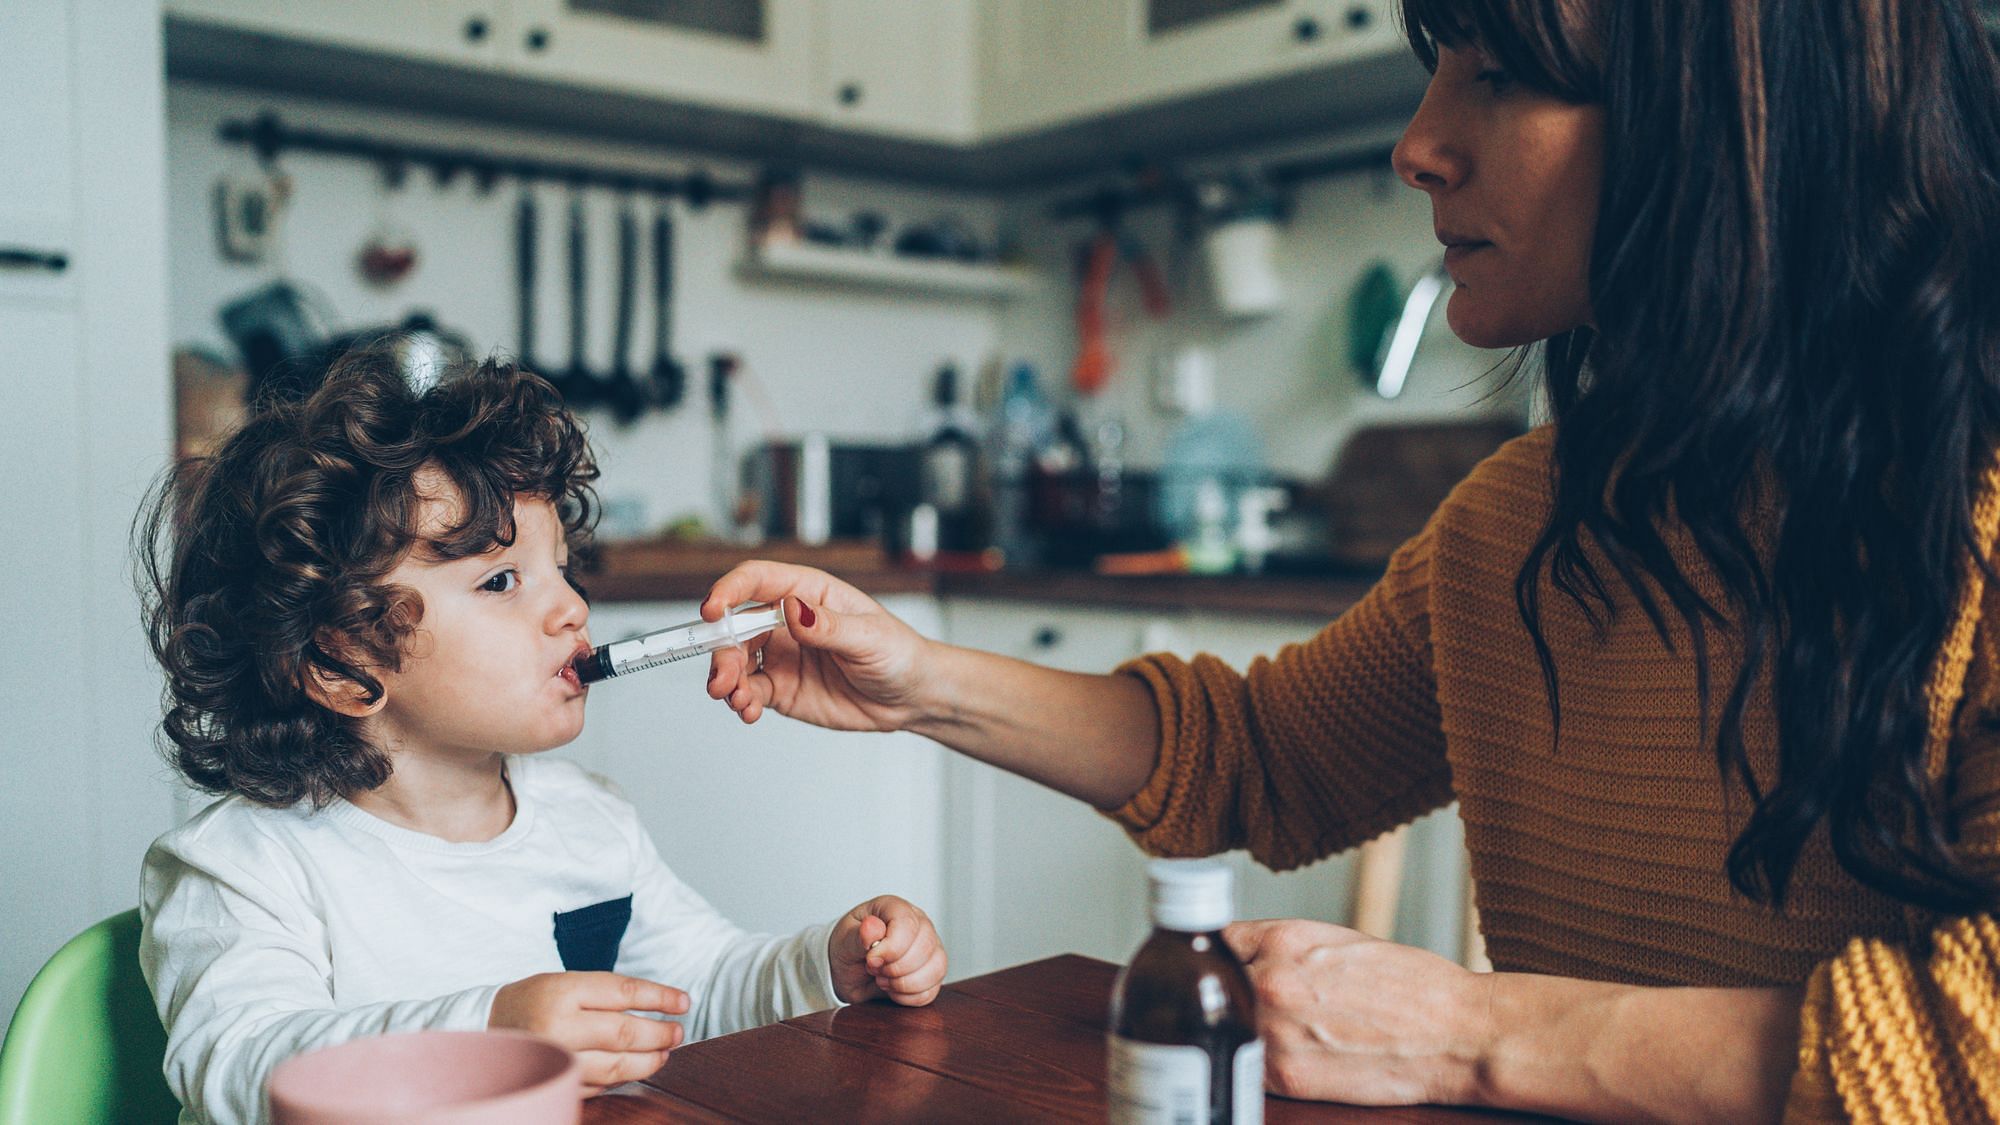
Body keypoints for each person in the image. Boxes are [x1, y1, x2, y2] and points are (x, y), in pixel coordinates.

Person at [698, 0, 2000, 1120]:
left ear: (1742, 115)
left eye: (1502, 73)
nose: (1416, 145)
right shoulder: (1517, 523)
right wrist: (917, 680)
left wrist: (1463, 1031)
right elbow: (1263, 758)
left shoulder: (1975, 514)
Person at [135, 353, 947, 1125]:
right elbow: (242, 1069)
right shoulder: (243, 867)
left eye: (563, 566)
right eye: (501, 580)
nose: (572, 608)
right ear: (340, 661)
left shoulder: (588, 819)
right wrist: (491, 1033)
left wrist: (825, 965)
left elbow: (697, 986)